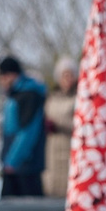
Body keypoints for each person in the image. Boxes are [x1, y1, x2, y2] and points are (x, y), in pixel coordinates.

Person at [0, 56, 47, 199]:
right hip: (14, 163)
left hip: (25, 165)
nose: (1, 80)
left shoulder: (29, 95)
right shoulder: (14, 95)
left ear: (12, 75)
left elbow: (28, 132)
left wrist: (12, 160)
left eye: (3, 76)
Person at [44, 58, 80, 195]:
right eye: (64, 75)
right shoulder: (52, 97)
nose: (67, 79)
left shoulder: (79, 97)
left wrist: (59, 125)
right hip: (53, 147)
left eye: (70, 75)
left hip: (70, 147)